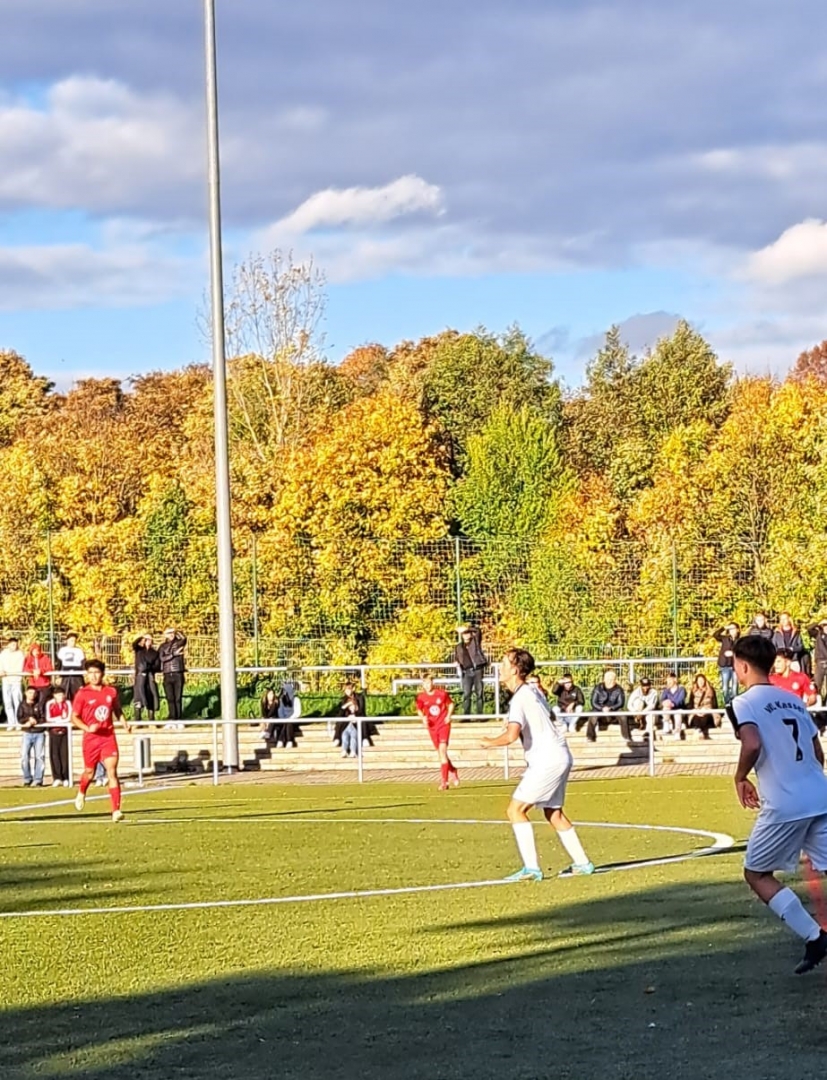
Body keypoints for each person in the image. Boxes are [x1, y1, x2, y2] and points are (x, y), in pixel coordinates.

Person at [728, 634, 827, 974]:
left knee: (756, 873)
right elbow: (817, 752)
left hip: (786, 803)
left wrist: (740, 776)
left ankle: (815, 938)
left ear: (742, 666)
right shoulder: (793, 700)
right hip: (819, 794)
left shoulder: (743, 703)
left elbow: (752, 743)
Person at [481, 648, 593, 880]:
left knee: (515, 810)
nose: (500, 668)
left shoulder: (521, 697)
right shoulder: (532, 691)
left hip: (547, 759)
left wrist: (489, 742)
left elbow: (511, 735)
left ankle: (531, 868)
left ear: (515, 669)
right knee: (554, 813)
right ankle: (583, 863)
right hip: (560, 755)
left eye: (504, 663)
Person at [72, 658, 132, 823]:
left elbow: (117, 710)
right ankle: (81, 792)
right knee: (89, 772)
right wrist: (87, 728)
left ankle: (116, 810)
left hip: (108, 737)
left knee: (111, 772)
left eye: (96, 672)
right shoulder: (82, 694)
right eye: (90, 673)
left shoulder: (110, 692)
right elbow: (74, 717)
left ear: (102, 674)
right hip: (91, 739)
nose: (93, 676)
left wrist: (124, 723)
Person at [415, 673, 459, 790]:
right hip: (432, 727)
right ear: (423, 684)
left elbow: (451, 704)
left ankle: (444, 782)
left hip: (443, 725)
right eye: (425, 683)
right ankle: (452, 770)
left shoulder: (441, 694)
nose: (427, 685)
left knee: (442, 751)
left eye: (429, 682)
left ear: (432, 682)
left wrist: (448, 715)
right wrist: (423, 718)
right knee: (441, 753)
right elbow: (419, 710)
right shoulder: (421, 697)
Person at [454, 625, 487, 717]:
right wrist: (456, 662)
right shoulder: (458, 647)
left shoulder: (475, 642)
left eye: (467, 633)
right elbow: (457, 657)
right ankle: (466, 716)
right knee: (466, 694)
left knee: (479, 694)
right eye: (464, 633)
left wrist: (467, 628)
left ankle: (480, 715)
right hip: (466, 672)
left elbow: (478, 630)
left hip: (477, 670)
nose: (466, 635)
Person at [18, 685, 46, 787]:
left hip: (39, 733)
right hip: (27, 733)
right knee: (24, 756)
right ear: (26, 693)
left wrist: (35, 721)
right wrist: (28, 720)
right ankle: (27, 779)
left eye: (34, 693)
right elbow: (19, 718)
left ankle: (38, 779)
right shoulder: (22, 705)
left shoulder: (40, 704)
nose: (32, 695)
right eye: (30, 693)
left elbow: (44, 718)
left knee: (40, 757)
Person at [159, 627, 187, 727]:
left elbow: (184, 638)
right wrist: (173, 654)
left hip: (177, 673)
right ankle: (172, 718)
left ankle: (178, 719)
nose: (171, 634)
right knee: (170, 698)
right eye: (169, 633)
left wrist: (178, 631)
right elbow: (162, 658)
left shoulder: (178, 643)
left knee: (178, 697)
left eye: (172, 633)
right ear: (165, 635)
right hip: (167, 674)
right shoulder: (162, 646)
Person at [587, 669, 626, 742]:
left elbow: (621, 703)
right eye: (608, 679)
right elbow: (593, 702)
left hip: (613, 711)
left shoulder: (619, 689)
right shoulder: (598, 688)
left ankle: (626, 737)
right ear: (604, 679)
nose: (609, 681)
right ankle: (590, 737)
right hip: (600, 710)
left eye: (612, 679)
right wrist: (602, 708)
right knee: (593, 714)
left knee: (623, 715)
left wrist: (611, 708)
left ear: (615, 680)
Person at [131, 633, 161, 726]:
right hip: (139, 676)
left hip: (149, 676)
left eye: (149, 639)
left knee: (150, 696)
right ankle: (137, 721)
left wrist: (149, 668)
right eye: (146, 639)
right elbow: (134, 644)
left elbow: (157, 666)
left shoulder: (154, 653)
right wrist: (141, 637)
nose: (148, 641)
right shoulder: (139, 650)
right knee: (138, 697)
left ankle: (151, 721)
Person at [45, 686, 71, 786]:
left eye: (62, 695)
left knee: (65, 755)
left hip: (64, 731)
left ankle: (66, 777)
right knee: (54, 755)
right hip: (54, 731)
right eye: (58, 695)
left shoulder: (67, 703)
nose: (60, 697)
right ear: (54, 695)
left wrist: (61, 720)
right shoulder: (50, 704)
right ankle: (57, 777)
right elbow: (48, 718)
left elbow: (69, 717)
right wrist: (59, 719)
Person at [713, 622, 741, 704]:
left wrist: (733, 653)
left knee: (735, 688)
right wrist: (724, 627)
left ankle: (735, 704)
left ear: (737, 630)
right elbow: (715, 635)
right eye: (730, 629)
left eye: (733, 628)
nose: (732, 630)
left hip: (735, 666)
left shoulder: (740, 641)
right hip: (725, 665)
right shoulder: (725, 639)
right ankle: (727, 703)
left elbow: (742, 652)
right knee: (725, 688)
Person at [0, 637, 25, 728]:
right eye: (13, 644)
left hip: (16, 681)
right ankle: (11, 722)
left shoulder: (20, 654)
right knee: (7, 702)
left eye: (16, 644)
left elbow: (20, 666)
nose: (14, 646)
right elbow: (1, 665)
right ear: (9, 644)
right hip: (6, 680)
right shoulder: (3, 654)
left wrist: (18, 677)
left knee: (17, 701)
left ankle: (18, 722)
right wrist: (1, 671)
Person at [56, 632, 85, 703]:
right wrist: (58, 675)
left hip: (77, 673)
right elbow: (59, 663)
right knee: (64, 692)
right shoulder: (63, 650)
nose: (73, 642)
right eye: (72, 640)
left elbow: (83, 662)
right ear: (67, 641)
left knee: (78, 693)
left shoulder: (79, 650)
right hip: (65, 673)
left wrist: (85, 672)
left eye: (75, 640)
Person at [23, 642, 52, 710]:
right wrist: (33, 671)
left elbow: (50, 668)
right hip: (33, 684)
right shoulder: (29, 658)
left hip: (44, 684)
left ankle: (42, 714)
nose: (36, 653)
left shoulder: (45, 658)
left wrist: (41, 671)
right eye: (34, 651)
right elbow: (26, 668)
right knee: (34, 701)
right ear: (31, 651)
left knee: (42, 702)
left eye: (37, 650)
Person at [688, 673, 718, 739]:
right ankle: (699, 731)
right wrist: (696, 711)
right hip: (696, 712)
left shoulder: (711, 690)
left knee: (705, 718)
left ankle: (699, 731)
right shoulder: (693, 691)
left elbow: (715, 704)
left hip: (708, 712)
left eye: (702, 680)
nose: (701, 682)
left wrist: (707, 710)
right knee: (696, 718)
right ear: (696, 682)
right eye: (699, 681)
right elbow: (690, 704)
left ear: (705, 681)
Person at [659, 672, 687, 738]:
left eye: (670, 680)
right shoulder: (666, 690)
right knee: (665, 708)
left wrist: (671, 704)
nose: (668, 682)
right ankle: (666, 724)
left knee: (677, 713)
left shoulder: (681, 689)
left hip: (679, 709)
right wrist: (664, 703)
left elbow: (680, 700)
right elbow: (662, 700)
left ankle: (677, 733)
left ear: (675, 680)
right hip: (669, 710)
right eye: (667, 680)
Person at [806, 618, 827, 700]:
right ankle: (817, 700)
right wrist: (818, 622)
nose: (826, 627)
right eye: (824, 625)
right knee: (818, 682)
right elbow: (809, 628)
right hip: (820, 661)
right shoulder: (818, 634)